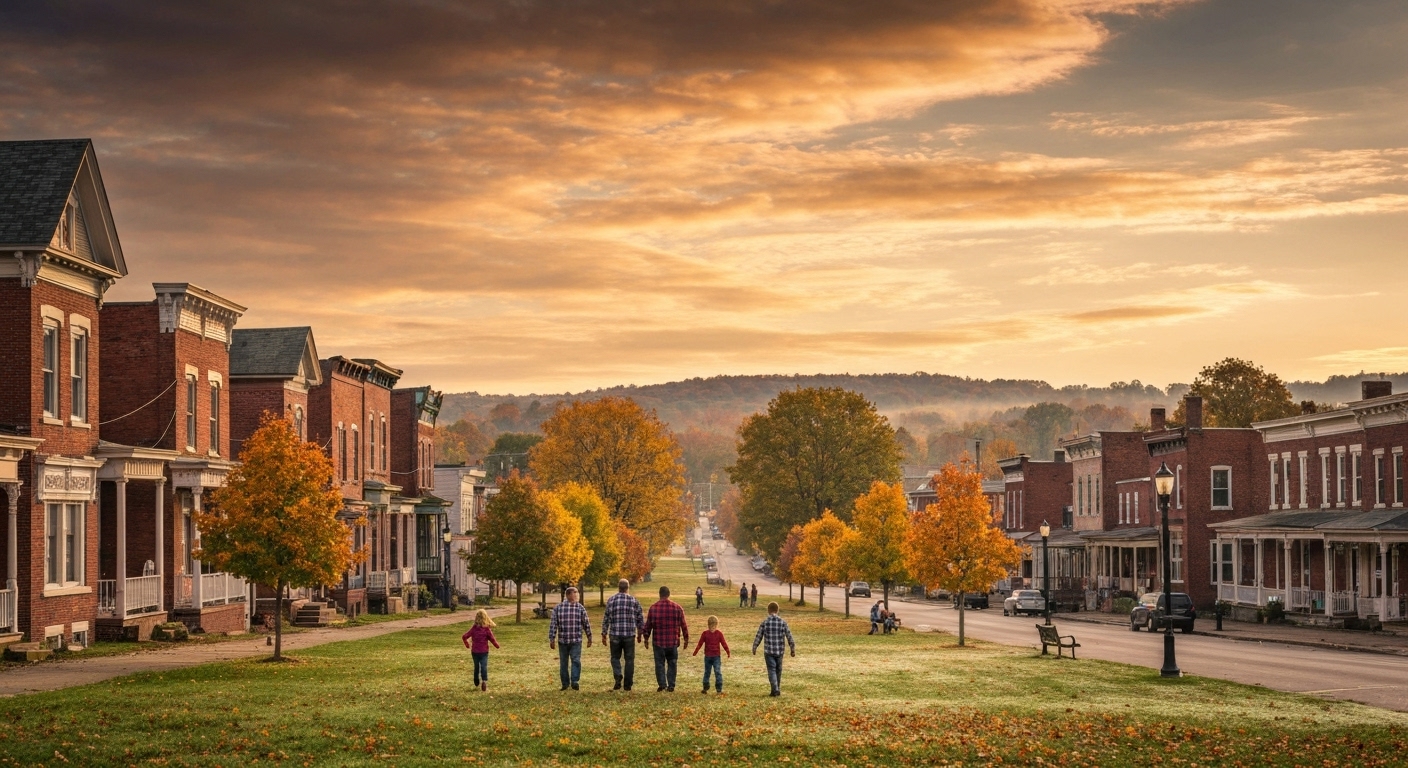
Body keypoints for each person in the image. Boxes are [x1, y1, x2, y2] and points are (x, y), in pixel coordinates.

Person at [642, 585, 689, 692]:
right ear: (668, 594)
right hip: (672, 641)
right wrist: (686, 638)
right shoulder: (677, 608)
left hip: (658, 641)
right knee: (672, 663)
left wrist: (646, 638)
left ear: (660, 594)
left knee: (659, 664)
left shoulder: (653, 608)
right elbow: (683, 625)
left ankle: (662, 684)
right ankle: (671, 685)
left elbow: (648, 625)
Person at [602, 578, 644, 691]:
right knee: (629, 659)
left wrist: (604, 633)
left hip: (615, 634)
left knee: (615, 658)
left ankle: (618, 675)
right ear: (627, 587)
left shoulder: (611, 600)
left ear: (618, 587)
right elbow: (640, 618)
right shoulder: (634, 601)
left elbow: (606, 618)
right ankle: (627, 685)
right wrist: (640, 633)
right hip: (629, 634)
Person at [548, 586, 592, 691]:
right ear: (568, 595)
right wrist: (552, 638)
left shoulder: (580, 608)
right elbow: (553, 624)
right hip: (563, 640)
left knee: (575, 660)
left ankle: (574, 681)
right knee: (564, 662)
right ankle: (565, 683)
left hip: (576, 640)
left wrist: (589, 637)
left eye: (577, 592)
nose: (577, 594)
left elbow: (586, 623)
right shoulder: (558, 608)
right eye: (575, 592)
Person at [752, 602, 796, 697]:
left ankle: (775, 689)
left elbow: (759, 636)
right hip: (779, 651)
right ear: (777, 610)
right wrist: (792, 648)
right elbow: (789, 636)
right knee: (778, 670)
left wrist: (755, 646)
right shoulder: (782, 622)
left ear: (768, 611)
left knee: (771, 670)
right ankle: (776, 689)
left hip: (769, 651)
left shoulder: (765, 622)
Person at [461, 609, 500, 692]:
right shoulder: (486, 629)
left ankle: (476, 680)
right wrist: (497, 645)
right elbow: (492, 639)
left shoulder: (474, 628)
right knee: (483, 666)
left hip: (475, 652)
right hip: (484, 652)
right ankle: (484, 681)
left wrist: (467, 644)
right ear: (485, 618)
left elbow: (464, 636)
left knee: (476, 667)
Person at [693, 615, 731, 694]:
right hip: (708, 656)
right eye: (711, 626)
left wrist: (728, 651)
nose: (712, 627)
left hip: (716, 656)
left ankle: (719, 689)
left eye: (714, 626)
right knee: (707, 672)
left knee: (717, 671)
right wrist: (696, 651)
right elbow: (700, 643)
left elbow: (724, 643)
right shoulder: (705, 634)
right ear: (708, 625)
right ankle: (705, 687)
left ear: (716, 625)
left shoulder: (719, 634)